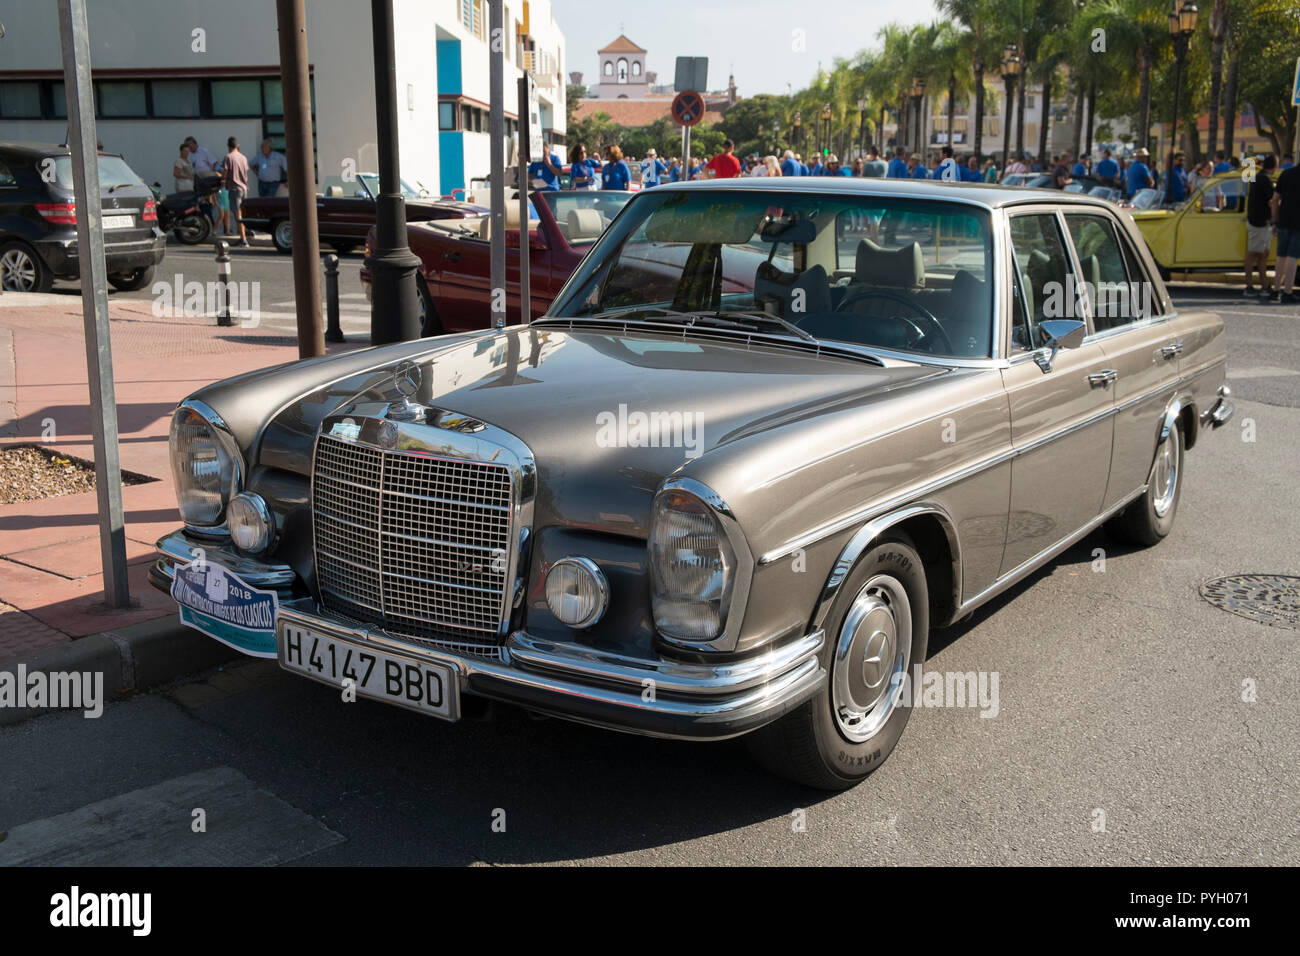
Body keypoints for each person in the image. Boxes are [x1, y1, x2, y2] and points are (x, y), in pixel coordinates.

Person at [1268, 157, 1300, 303]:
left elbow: (1275, 199)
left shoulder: (1285, 174)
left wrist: (1274, 221)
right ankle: (1288, 291)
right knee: (1293, 257)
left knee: (1281, 256)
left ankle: (1276, 290)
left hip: (1283, 220)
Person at [1244, 154, 1276, 297]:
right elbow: (1271, 201)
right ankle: (1251, 286)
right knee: (1255, 255)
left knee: (1262, 255)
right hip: (1259, 223)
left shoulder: (1256, 178)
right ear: (1274, 166)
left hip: (1256, 220)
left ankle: (1264, 285)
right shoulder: (1266, 181)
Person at [222, 136, 249, 246]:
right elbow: (245, 171)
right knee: (242, 213)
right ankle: (244, 233)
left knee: (238, 215)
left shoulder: (228, 157)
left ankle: (243, 239)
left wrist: (222, 179)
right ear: (237, 146)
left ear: (228, 146)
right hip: (244, 188)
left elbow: (225, 173)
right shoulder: (243, 157)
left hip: (234, 189)